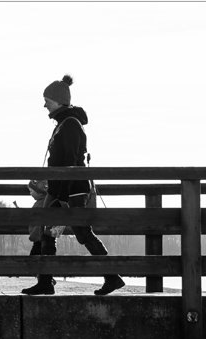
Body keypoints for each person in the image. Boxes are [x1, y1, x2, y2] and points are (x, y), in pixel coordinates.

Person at [22, 75, 125, 296]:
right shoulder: (65, 123)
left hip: (70, 190)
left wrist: (61, 196)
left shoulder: (69, 125)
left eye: (47, 100)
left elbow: (69, 163)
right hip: (64, 189)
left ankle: (111, 277)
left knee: (81, 234)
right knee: (48, 233)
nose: (44, 104)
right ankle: (46, 281)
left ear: (58, 101)